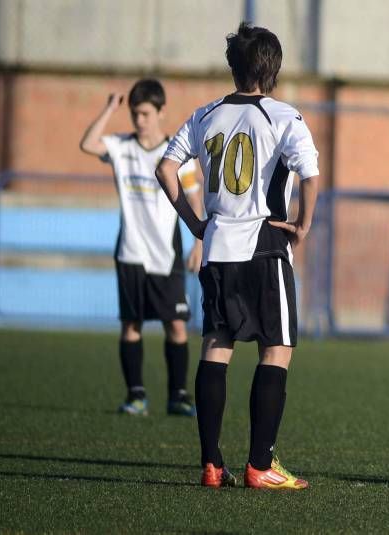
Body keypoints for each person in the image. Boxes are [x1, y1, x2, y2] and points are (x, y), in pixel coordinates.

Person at [156, 22, 320, 490]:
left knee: (216, 346)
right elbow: (310, 176)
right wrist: (303, 226)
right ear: (273, 68)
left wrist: (193, 223)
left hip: (219, 248)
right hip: (264, 246)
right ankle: (260, 465)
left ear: (234, 67)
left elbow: (166, 168)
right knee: (277, 348)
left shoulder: (205, 115)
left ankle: (211, 464)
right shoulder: (285, 116)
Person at [79, 79, 203, 417]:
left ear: (161, 112)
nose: (140, 120)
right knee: (130, 324)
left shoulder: (177, 155)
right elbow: (87, 143)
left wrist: (199, 242)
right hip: (131, 252)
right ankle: (136, 395)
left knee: (176, 325)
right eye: (135, 113)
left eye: (146, 113)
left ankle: (178, 395)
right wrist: (109, 109)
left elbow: (194, 195)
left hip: (166, 253)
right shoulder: (121, 147)